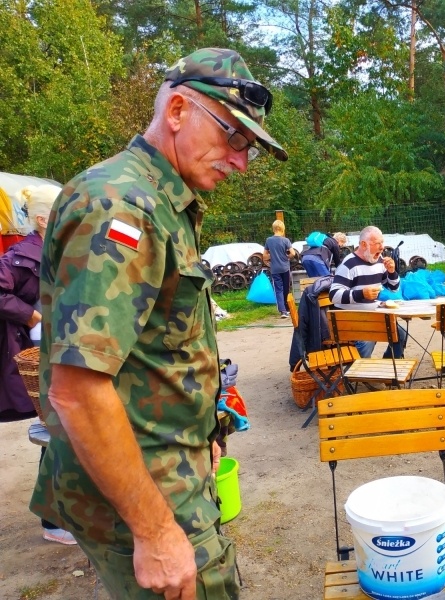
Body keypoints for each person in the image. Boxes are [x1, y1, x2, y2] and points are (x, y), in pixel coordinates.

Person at [30, 47, 287, 600]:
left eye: (249, 147)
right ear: (176, 111)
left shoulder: (159, 200)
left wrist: (201, 435)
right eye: (233, 137)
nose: (241, 161)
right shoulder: (122, 207)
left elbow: (153, 350)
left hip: (166, 468)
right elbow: (78, 390)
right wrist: (155, 531)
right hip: (147, 495)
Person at [1, 184, 77, 546]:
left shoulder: (64, 248)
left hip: (69, 350)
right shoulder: (20, 255)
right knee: (56, 431)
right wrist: (31, 317)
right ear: (44, 219)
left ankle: (73, 512)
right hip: (42, 355)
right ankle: (53, 522)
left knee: (74, 429)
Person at [330, 225, 406, 359]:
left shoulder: (379, 261)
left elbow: (394, 288)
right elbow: (334, 295)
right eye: (377, 243)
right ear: (364, 244)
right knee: (368, 339)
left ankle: (388, 364)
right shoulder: (349, 264)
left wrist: (392, 272)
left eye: (382, 242)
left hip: (372, 316)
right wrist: (361, 294)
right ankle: (360, 368)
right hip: (351, 319)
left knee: (400, 335)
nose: (382, 248)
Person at [264, 219, 295, 318]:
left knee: (278, 289)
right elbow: (293, 253)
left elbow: (265, 255)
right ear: (283, 229)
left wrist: (269, 260)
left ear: (273, 229)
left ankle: (282, 311)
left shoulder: (269, 240)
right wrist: (287, 257)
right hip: (285, 267)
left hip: (275, 269)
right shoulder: (286, 240)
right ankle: (288, 308)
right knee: (286, 288)